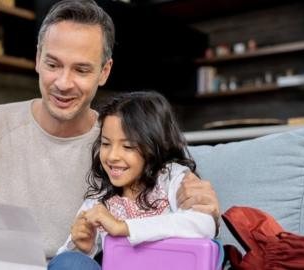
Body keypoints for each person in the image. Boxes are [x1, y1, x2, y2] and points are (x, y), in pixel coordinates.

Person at [0, 1, 219, 269]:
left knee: (72, 265)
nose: (63, 83)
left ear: (104, 71)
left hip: (63, 266)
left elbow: (168, 194)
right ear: (37, 58)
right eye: (52, 64)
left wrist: (205, 210)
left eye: (81, 69)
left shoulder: (118, 142)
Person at [54, 91, 215, 263]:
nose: (112, 156)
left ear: (155, 146)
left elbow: (205, 225)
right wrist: (82, 248)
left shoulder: (172, 178)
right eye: (106, 143)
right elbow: (61, 263)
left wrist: (123, 228)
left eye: (128, 146)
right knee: (69, 261)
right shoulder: (98, 203)